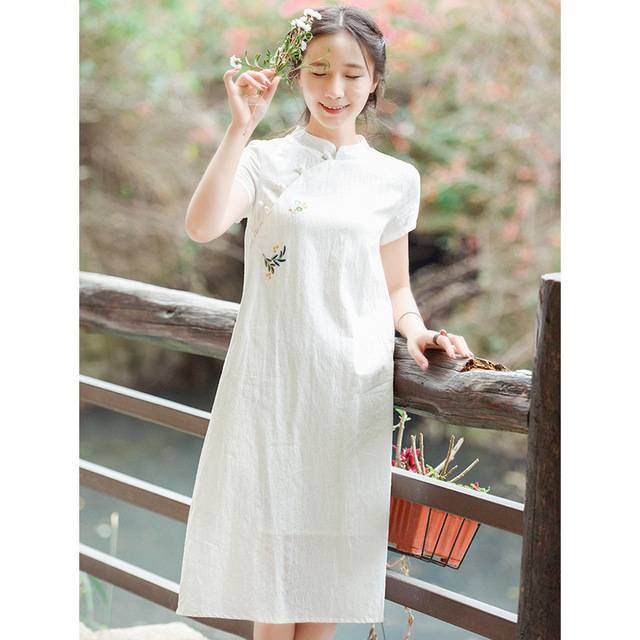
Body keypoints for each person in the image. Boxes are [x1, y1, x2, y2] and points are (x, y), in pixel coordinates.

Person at [175, 6, 473, 640]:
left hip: (350, 393)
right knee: (275, 582)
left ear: (375, 79)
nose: (335, 89)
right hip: (276, 390)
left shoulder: (395, 179)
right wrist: (238, 130)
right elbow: (201, 227)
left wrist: (417, 331)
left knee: (329, 575)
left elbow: (395, 286)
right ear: (296, 75)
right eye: (317, 71)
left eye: (352, 74)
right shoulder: (264, 160)